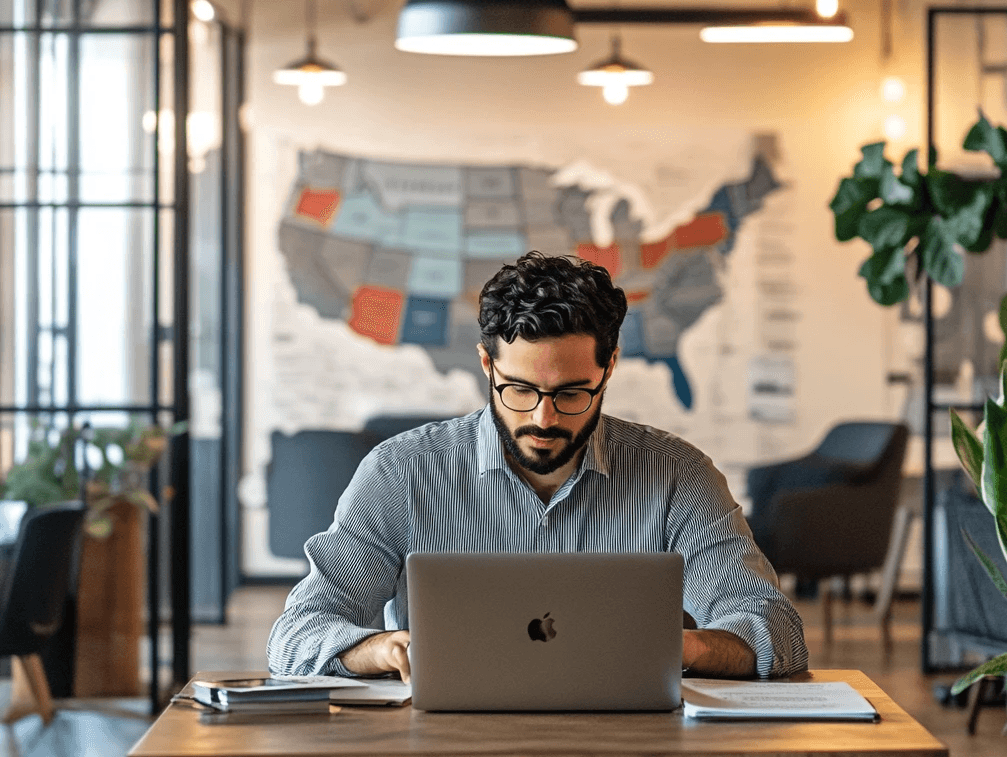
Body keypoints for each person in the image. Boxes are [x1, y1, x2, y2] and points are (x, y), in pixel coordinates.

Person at [267, 251, 808, 683]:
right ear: (487, 363)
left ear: (609, 366)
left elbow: (777, 630)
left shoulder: (677, 476)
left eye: (572, 393)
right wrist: (377, 649)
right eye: (519, 389)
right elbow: (296, 634)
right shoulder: (400, 473)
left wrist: (680, 646)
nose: (543, 418)